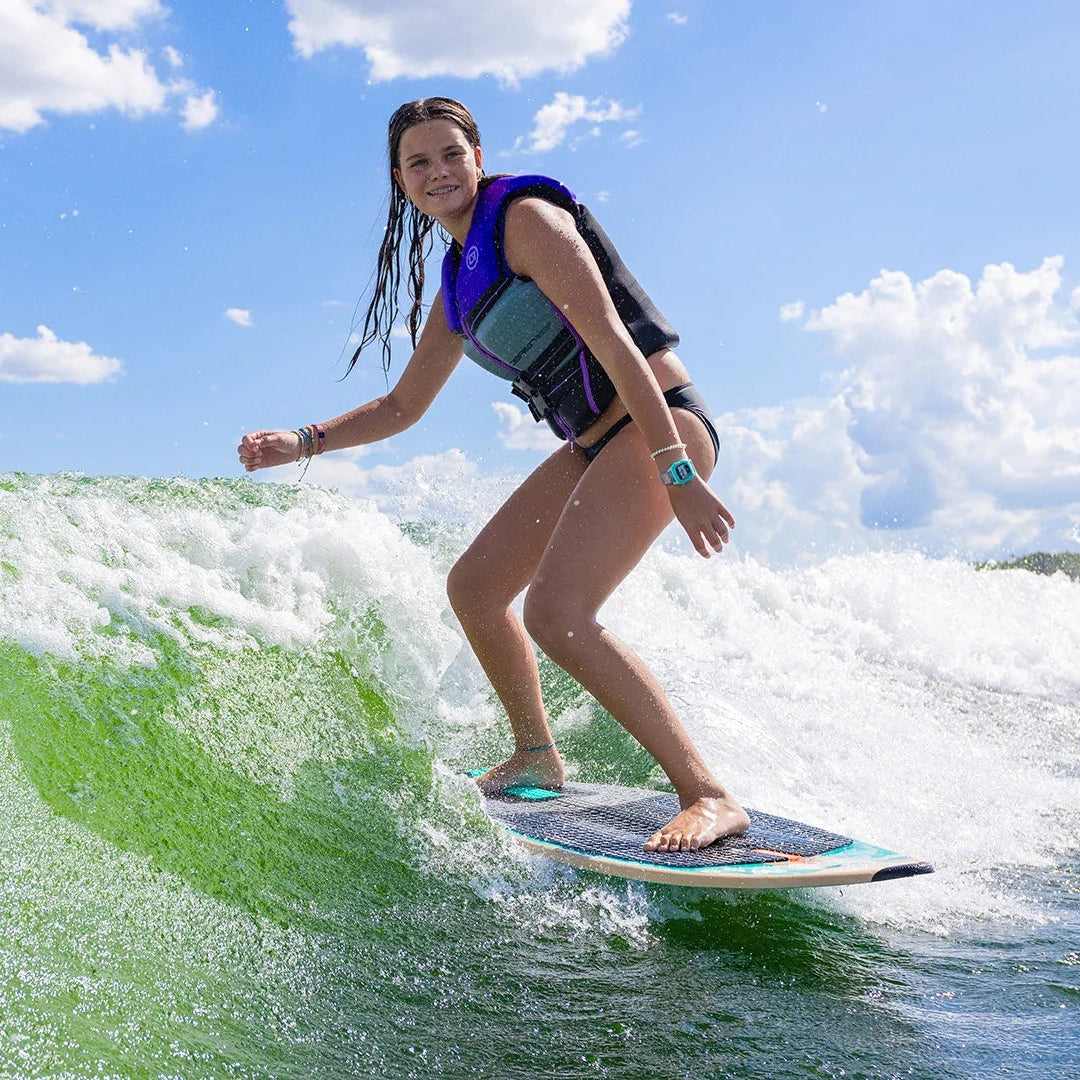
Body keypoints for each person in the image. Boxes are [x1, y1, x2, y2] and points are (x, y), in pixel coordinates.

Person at [238, 97, 749, 853]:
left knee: (557, 613)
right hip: (592, 444)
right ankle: (537, 755)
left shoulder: (527, 221)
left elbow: (614, 342)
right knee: (475, 588)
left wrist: (674, 465)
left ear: (478, 156)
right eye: (419, 162)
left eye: (451, 153)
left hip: (657, 425)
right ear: (400, 181)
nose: (438, 171)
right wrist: (303, 441)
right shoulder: (457, 284)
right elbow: (404, 405)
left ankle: (708, 794)